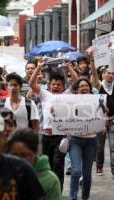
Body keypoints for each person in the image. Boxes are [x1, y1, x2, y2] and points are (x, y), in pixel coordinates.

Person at [29, 58, 77, 190]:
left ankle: (57, 191)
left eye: (58, 84)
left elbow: (77, 82)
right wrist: (38, 67)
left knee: (58, 164)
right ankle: (46, 190)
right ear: (50, 86)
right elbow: (32, 83)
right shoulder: (45, 95)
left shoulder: (67, 94)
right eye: (53, 84)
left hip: (60, 137)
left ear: (63, 87)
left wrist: (69, 67)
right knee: (46, 165)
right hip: (45, 136)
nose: (55, 86)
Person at [6, 128, 61, 200]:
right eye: (14, 155)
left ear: (36, 153)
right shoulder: (0, 174)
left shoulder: (51, 181)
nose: (19, 160)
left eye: (24, 155)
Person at [67, 78, 99, 200]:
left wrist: (104, 111)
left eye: (86, 86)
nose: (84, 88)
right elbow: (61, 111)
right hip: (75, 139)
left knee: (86, 173)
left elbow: (104, 114)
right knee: (75, 171)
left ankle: (85, 197)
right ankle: (73, 197)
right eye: (81, 86)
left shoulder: (97, 100)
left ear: (90, 88)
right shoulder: (70, 101)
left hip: (91, 140)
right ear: (77, 89)